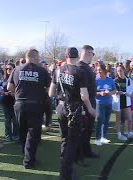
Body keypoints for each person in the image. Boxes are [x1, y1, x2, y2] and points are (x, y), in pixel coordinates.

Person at [48, 47, 96, 180]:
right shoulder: (79, 71)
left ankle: (65, 165)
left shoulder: (58, 70)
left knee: (64, 138)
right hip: (74, 109)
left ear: (66, 56)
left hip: (60, 108)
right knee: (73, 141)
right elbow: (84, 96)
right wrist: (90, 109)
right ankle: (66, 173)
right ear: (77, 56)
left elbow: (51, 93)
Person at [7, 49, 51, 168]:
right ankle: (29, 161)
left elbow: (9, 87)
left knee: (23, 131)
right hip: (35, 105)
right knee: (33, 133)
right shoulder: (42, 70)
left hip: (20, 104)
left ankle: (25, 155)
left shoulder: (16, 69)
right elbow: (49, 89)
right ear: (35, 57)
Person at [76, 45, 99, 159]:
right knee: (83, 130)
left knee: (89, 129)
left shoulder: (86, 67)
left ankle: (86, 151)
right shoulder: (80, 68)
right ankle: (80, 154)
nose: (92, 56)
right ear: (88, 53)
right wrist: (89, 107)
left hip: (90, 101)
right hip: (85, 104)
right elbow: (82, 91)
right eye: (92, 54)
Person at [94, 65, 116, 146]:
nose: (98, 72)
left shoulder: (110, 80)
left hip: (109, 103)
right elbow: (92, 92)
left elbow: (114, 90)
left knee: (107, 121)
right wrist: (100, 93)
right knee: (100, 120)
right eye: (97, 70)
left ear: (104, 71)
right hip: (100, 103)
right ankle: (97, 139)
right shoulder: (96, 80)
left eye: (100, 70)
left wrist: (109, 93)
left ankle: (104, 137)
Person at [1, 63, 19, 142]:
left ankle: (16, 134)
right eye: (7, 69)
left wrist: (13, 94)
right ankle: (8, 135)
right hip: (6, 101)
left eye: (10, 69)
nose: (8, 70)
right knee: (7, 119)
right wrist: (4, 93)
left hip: (15, 101)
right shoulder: (4, 79)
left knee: (15, 119)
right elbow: (1, 89)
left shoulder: (16, 78)